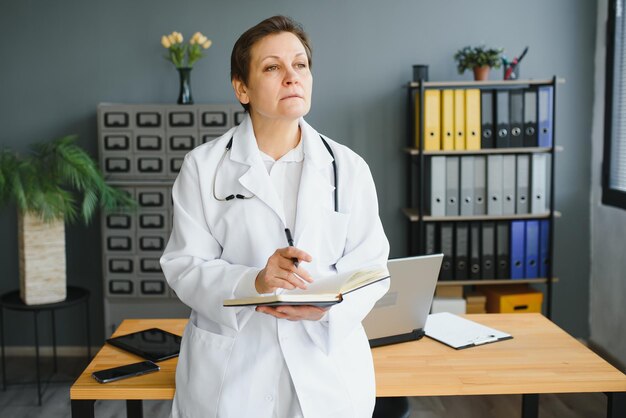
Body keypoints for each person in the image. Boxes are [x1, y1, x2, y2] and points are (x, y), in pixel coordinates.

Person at [160, 15, 390, 418]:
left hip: (324, 368)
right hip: (234, 372)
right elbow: (184, 266)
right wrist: (255, 281)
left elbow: (372, 269)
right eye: (272, 67)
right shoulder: (203, 167)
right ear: (242, 88)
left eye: (300, 65)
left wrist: (328, 306)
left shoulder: (347, 168)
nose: (292, 77)